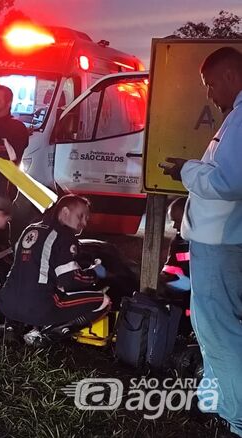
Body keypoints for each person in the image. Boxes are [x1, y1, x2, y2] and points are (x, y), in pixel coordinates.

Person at [162, 47, 242, 436]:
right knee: (215, 331)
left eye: (211, 86)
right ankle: (215, 405)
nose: (210, 96)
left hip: (220, 244)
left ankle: (235, 419)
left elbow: (229, 182)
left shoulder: (241, 120)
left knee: (221, 333)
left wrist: (186, 169)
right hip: (222, 243)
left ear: (229, 77)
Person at [0, 195, 111, 346]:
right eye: (80, 216)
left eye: (86, 219)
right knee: (104, 301)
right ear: (65, 212)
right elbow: (70, 280)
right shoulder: (64, 236)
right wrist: (96, 272)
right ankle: (48, 335)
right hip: (38, 307)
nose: (83, 223)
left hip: (6, 303)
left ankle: (12, 328)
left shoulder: (30, 229)